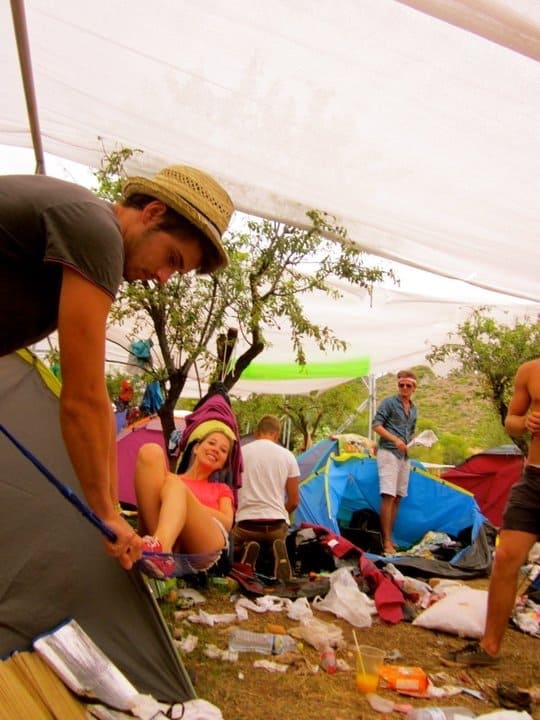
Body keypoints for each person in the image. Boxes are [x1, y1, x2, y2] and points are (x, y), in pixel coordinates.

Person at [0, 165, 234, 569]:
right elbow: (83, 395)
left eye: (175, 272)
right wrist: (105, 514)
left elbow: (97, 404)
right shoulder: (97, 231)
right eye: (171, 259)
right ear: (153, 212)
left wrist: (109, 508)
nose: (162, 278)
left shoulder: (83, 227)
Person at [442, 358, 540, 666]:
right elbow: (511, 418)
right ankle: (489, 647)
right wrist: (525, 423)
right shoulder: (530, 370)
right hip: (534, 478)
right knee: (506, 557)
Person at [134, 428, 235, 578]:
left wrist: (187, 505)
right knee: (151, 451)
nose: (215, 449)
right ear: (196, 448)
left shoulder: (221, 489)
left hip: (204, 542)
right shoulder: (171, 480)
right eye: (211, 443)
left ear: (223, 464)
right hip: (162, 534)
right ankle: (161, 549)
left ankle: (161, 550)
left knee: (175, 485)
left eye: (223, 450)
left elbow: (227, 522)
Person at [232, 415, 300, 580]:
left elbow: (232, 490)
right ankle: (275, 550)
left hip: (245, 526)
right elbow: (293, 501)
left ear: (255, 432)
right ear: (277, 435)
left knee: (230, 547)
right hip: (276, 526)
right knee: (273, 542)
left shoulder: (240, 454)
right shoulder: (288, 456)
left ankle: (246, 552)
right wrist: (280, 513)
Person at [372, 370, 418, 555]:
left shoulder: (414, 408)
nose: (404, 388)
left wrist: (416, 442)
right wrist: (395, 440)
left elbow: (411, 431)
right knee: (388, 496)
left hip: (404, 455)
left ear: (414, 387)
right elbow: (376, 425)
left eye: (408, 385)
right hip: (389, 453)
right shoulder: (390, 402)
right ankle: (387, 542)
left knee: (398, 497)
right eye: (401, 385)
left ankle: (389, 538)